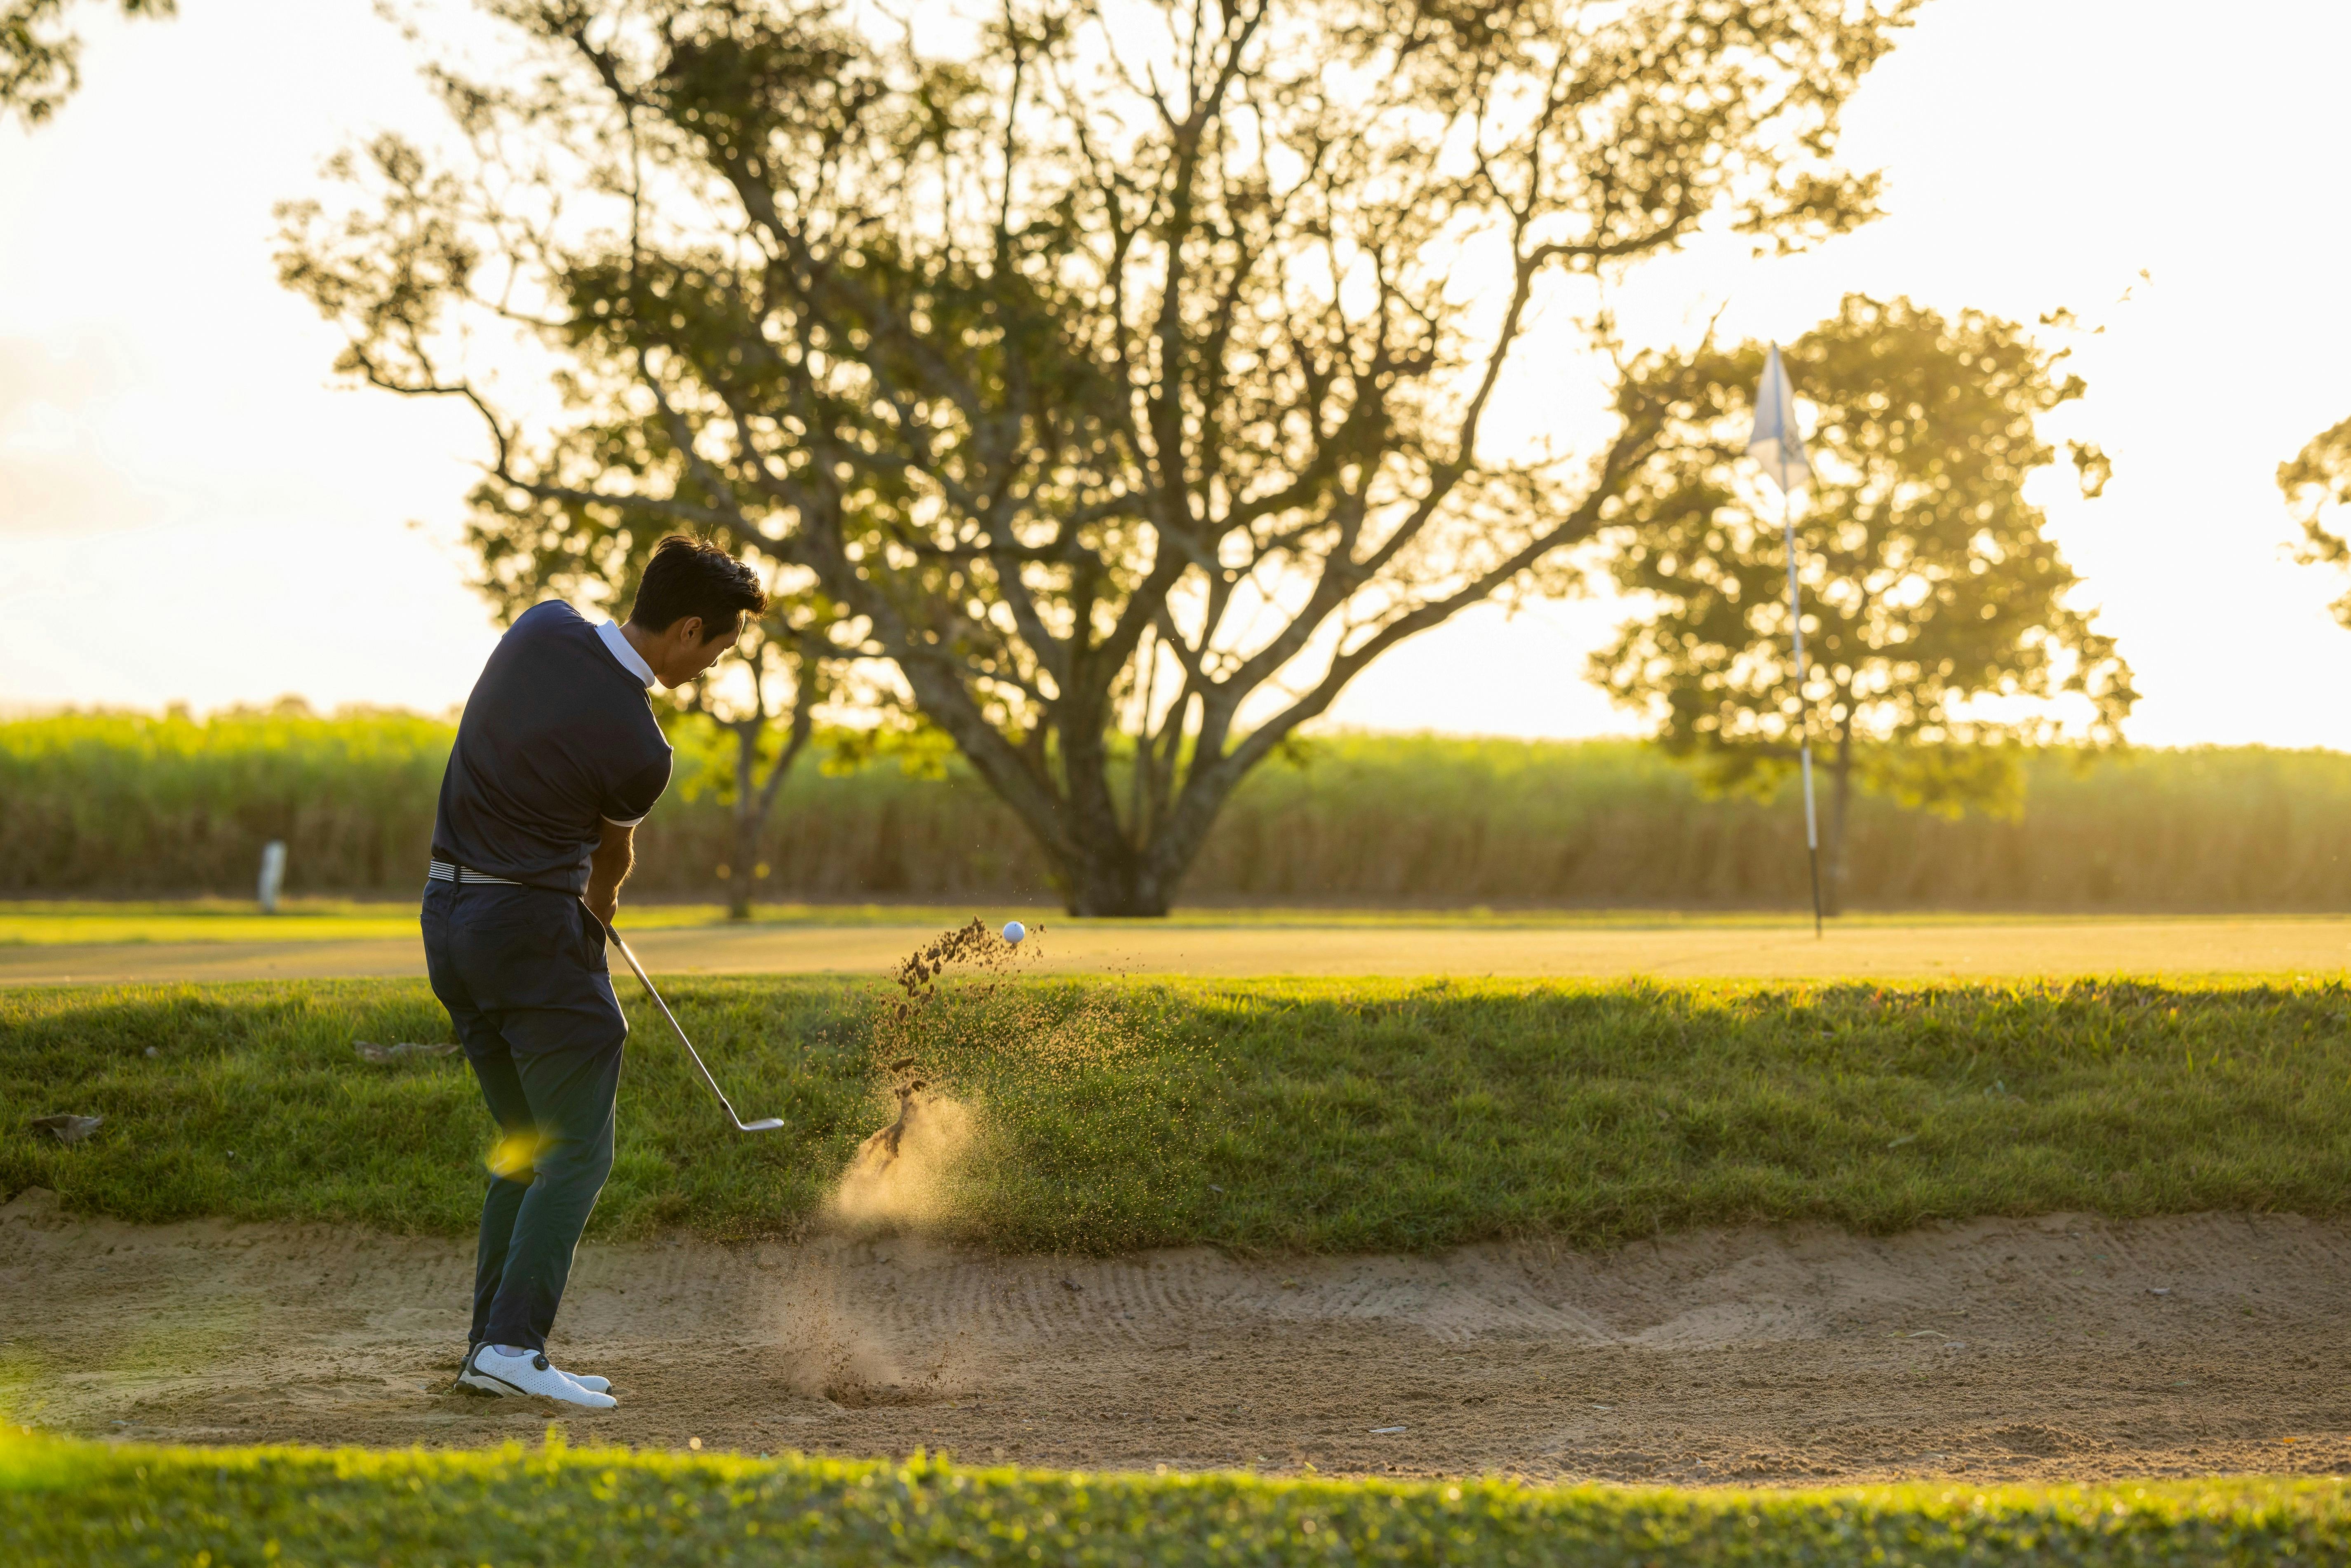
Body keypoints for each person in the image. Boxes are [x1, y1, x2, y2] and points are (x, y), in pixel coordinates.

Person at [423, 535, 765, 1407]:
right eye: (719, 648)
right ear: (688, 629)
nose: (713, 665)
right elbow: (607, 868)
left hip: (448, 920)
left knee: (526, 1144)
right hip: (531, 931)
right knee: (576, 1147)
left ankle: (486, 1351)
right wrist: (603, 908)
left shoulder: (540, 626)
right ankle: (511, 1344)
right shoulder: (642, 748)